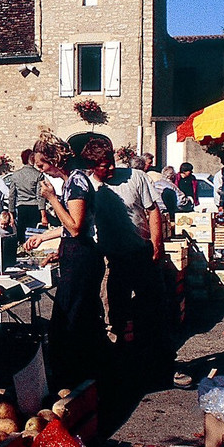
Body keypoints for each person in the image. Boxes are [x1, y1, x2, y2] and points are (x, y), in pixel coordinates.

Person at [79, 137, 185, 389]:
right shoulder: (89, 188)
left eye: (112, 162)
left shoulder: (136, 177)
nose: (111, 169)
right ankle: (124, 370)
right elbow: (78, 222)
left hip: (143, 254)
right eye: (104, 166)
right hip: (113, 260)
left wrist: (157, 245)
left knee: (156, 312)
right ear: (92, 166)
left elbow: (153, 211)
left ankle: (166, 367)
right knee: (116, 316)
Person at [24, 133, 105, 385]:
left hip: (81, 258)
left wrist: (51, 199)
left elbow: (76, 227)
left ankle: (75, 379)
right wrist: (46, 238)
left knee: (68, 320)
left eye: (42, 164)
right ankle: (87, 374)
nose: (42, 171)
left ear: (54, 158)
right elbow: (71, 226)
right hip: (78, 255)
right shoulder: (74, 180)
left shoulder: (76, 182)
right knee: (77, 316)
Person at [5, 148, 46, 242]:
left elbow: (11, 196)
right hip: (34, 208)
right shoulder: (38, 174)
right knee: (34, 233)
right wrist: (43, 215)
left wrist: (11, 214)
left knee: (21, 234)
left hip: (21, 207)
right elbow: (40, 196)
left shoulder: (15, 175)